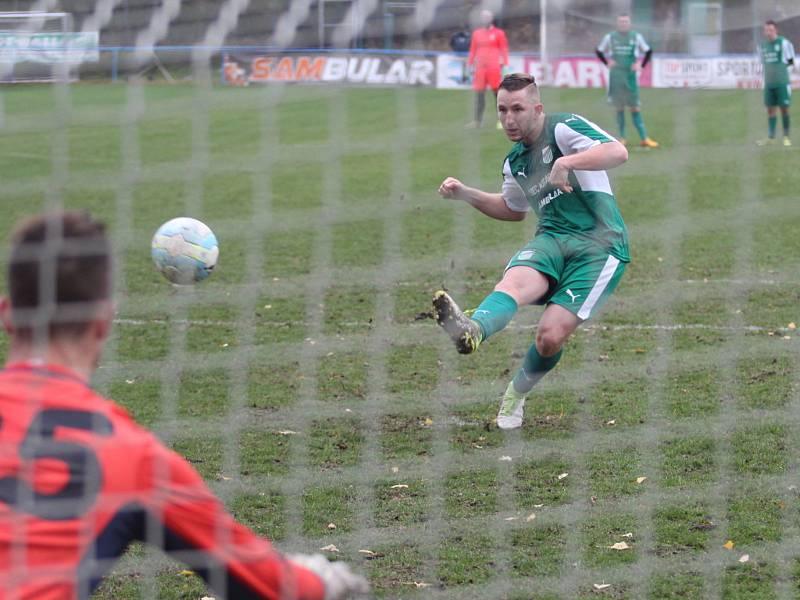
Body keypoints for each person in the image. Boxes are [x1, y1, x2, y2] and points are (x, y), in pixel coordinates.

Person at [0, 211, 369, 599]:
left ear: (7, 314)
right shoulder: (133, 457)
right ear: (103, 321)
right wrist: (326, 580)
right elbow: (269, 584)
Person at [433, 73, 629, 430]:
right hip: (552, 238)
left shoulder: (563, 128)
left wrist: (567, 162)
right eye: (503, 110)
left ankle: (516, 393)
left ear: (537, 108)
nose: (510, 119)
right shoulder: (515, 162)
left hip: (599, 245)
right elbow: (513, 208)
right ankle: (472, 331)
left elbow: (618, 151)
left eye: (518, 109)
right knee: (513, 285)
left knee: (550, 337)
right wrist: (466, 193)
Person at [596, 14, 658, 148]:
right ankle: (622, 138)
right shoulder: (610, 37)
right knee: (619, 108)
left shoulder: (636, 37)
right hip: (616, 77)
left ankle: (644, 138)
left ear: (629, 24)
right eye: (621, 22)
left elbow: (648, 51)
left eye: (625, 22)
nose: (623, 24)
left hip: (630, 77)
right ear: (617, 24)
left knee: (635, 107)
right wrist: (607, 62)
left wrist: (641, 65)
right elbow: (599, 50)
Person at [465, 9, 509, 129]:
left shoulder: (499, 33)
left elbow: (503, 50)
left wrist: (505, 65)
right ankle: (477, 121)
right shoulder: (477, 33)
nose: (485, 20)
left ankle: (501, 121)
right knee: (479, 95)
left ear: (491, 19)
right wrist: (469, 65)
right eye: (483, 17)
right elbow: (473, 50)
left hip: (494, 68)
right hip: (480, 69)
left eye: (487, 17)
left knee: (497, 95)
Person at [757, 19, 795, 146]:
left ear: (776, 30)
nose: (769, 33)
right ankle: (771, 137)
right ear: (764, 31)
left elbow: (791, 61)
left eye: (771, 30)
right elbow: (762, 62)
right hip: (769, 83)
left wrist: (784, 74)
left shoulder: (784, 43)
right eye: (766, 30)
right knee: (770, 110)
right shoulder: (761, 46)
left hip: (782, 83)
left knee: (784, 109)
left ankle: (786, 137)